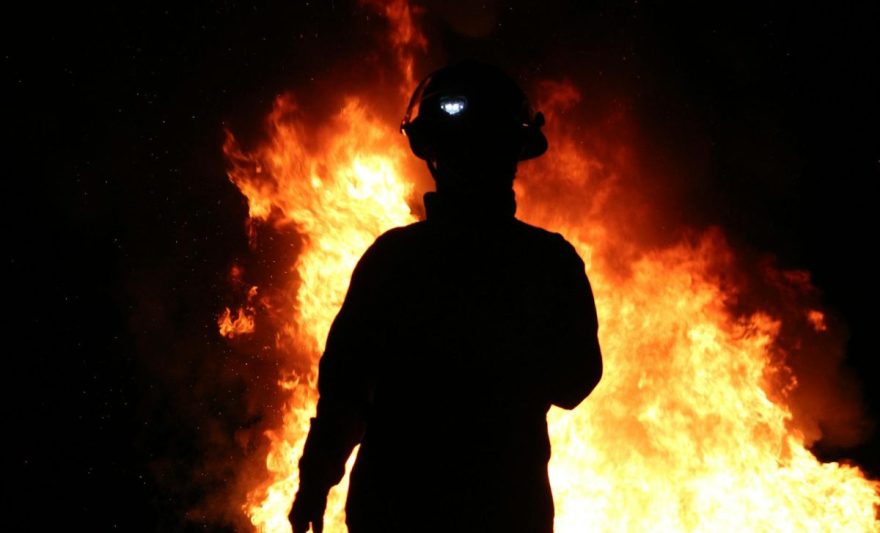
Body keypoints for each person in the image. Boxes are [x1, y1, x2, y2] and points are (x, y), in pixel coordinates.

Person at [289, 60, 603, 533]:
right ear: (514, 157)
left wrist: (316, 482)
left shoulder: (393, 260)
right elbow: (574, 382)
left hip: (396, 511)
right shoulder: (548, 262)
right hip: (505, 511)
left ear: (431, 154)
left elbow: (346, 392)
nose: (470, 161)